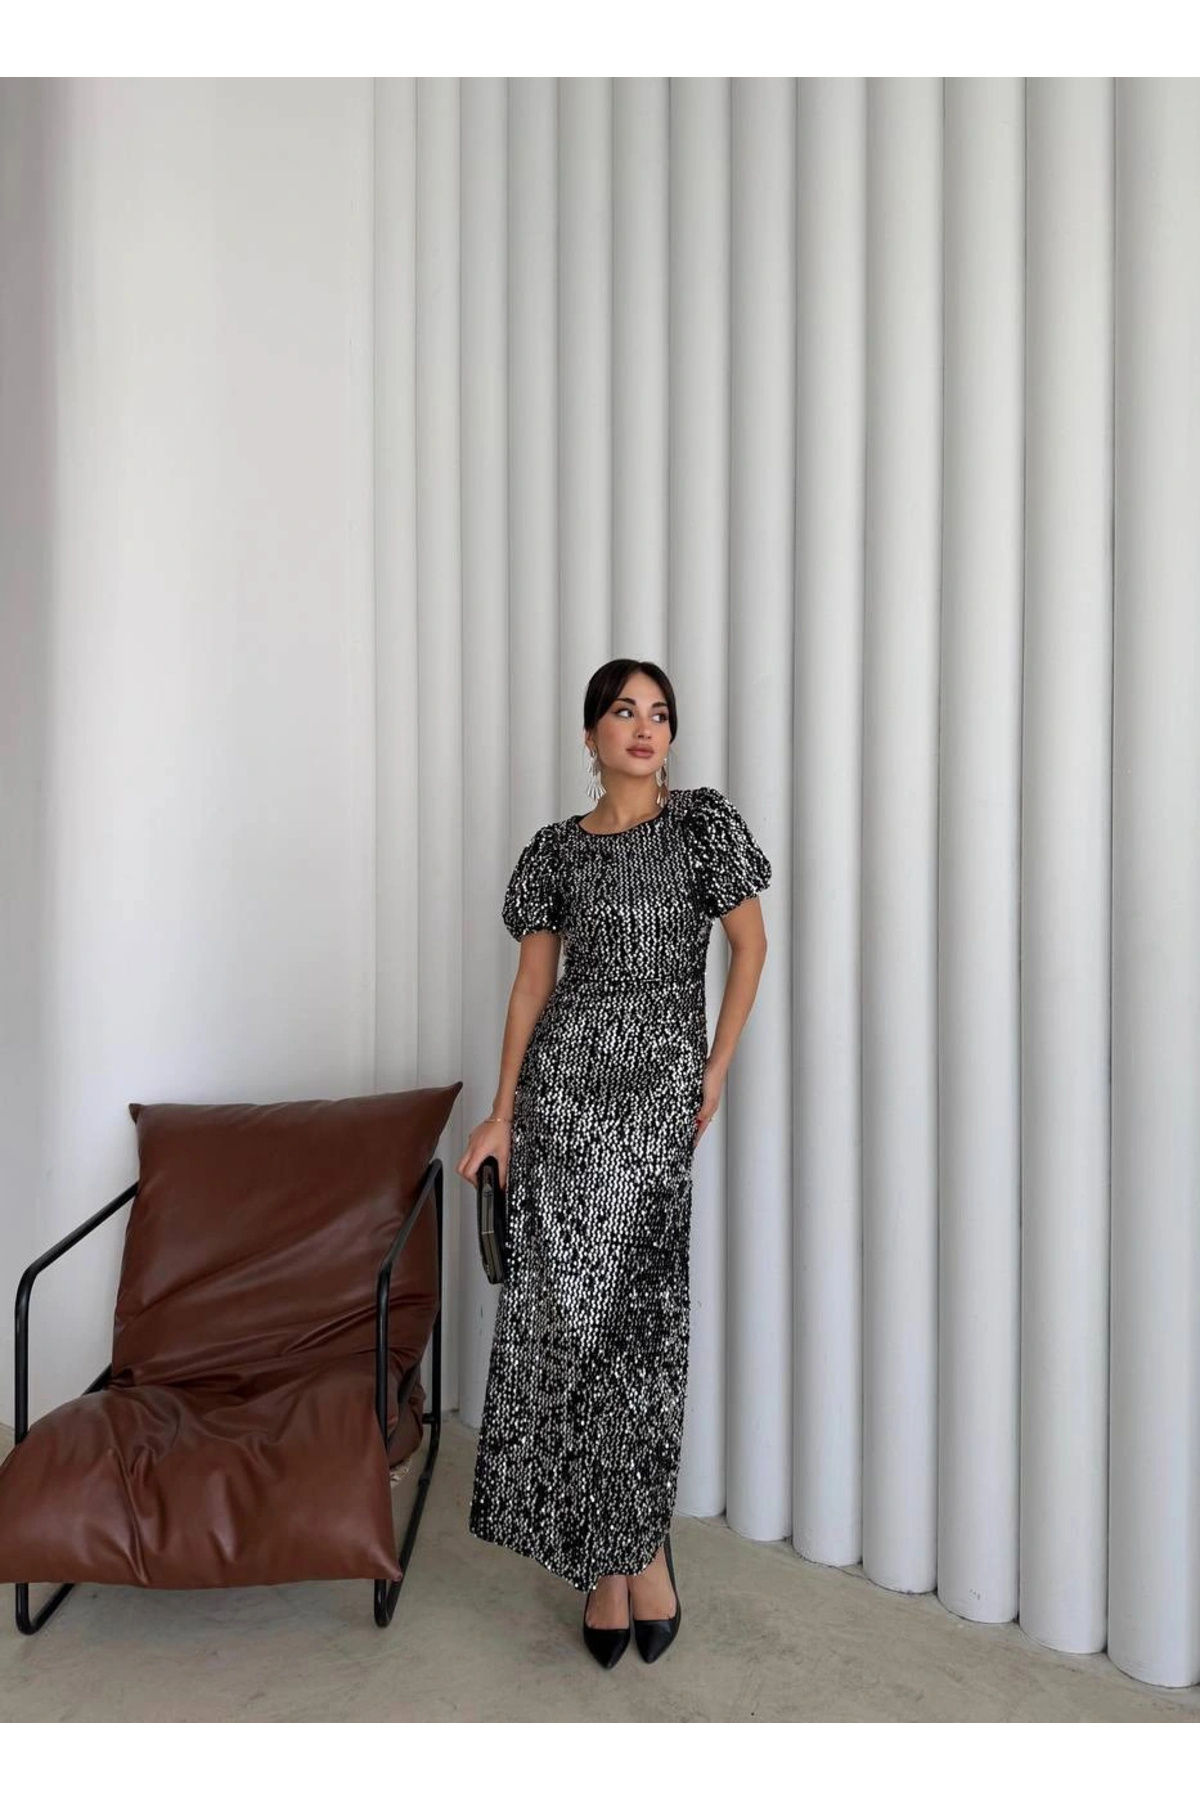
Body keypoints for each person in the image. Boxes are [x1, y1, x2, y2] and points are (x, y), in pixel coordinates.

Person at [458, 658, 772, 1669]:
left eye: (660, 713)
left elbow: (751, 945)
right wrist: (502, 1116)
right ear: (591, 732)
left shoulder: (702, 827)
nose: (645, 727)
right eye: (625, 711)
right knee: (573, 1336)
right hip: (561, 1104)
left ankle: (638, 1549)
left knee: (640, 1336)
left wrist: (715, 1068)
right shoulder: (555, 852)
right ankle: (612, 1563)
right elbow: (530, 987)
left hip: (655, 1106)